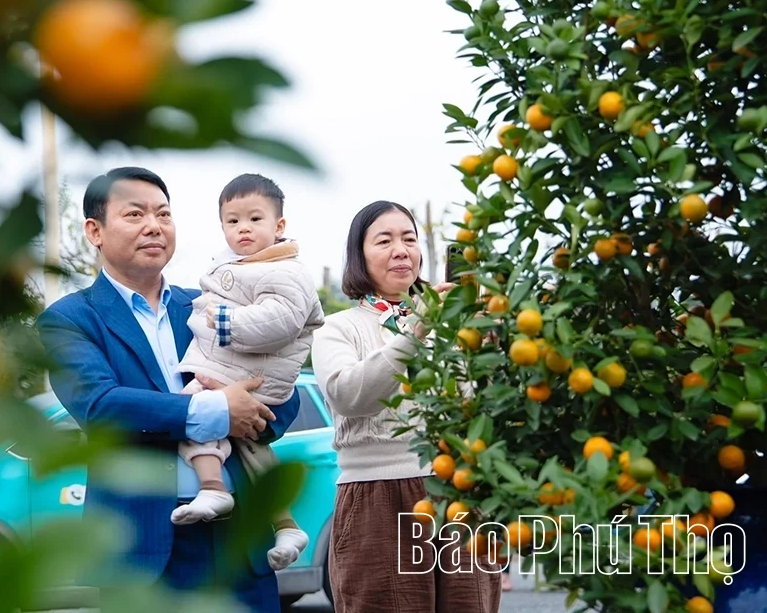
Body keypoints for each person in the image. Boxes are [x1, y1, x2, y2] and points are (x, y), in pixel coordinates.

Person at [36, 167, 302, 612]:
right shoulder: (69, 320)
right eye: (135, 214)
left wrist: (260, 402)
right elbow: (101, 405)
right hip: (141, 555)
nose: (154, 226)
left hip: (239, 542)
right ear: (94, 231)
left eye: (163, 214)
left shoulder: (207, 305)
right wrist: (219, 409)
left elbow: (280, 385)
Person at [312, 200, 502, 613]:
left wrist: (491, 344)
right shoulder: (338, 328)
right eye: (384, 241)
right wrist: (417, 332)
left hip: (457, 493)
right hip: (377, 497)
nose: (401, 250)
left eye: (409, 239)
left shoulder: (454, 326)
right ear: (359, 255)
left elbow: (482, 406)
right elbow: (347, 394)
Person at [172, 174, 324, 573]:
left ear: (279, 225)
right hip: (240, 371)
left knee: (195, 410)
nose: (243, 228)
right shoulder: (241, 267)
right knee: (252, 450)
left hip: (249, 373)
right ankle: (286, 526)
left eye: (255, 219)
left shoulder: (284, 270)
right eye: (233, 221)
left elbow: (282, 318)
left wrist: (225, 320)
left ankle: (212, 487)